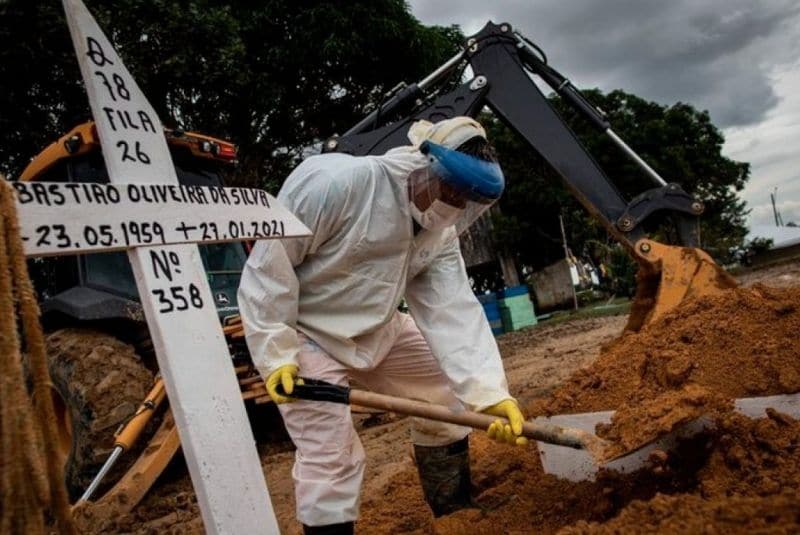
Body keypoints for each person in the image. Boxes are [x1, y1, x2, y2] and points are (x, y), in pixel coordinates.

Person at [238, 116, 527, 534]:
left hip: (381, 329)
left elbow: (452, 309)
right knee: (329, 454)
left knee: (445, 394)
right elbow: (269, 271)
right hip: (309, 336)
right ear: (423, 165)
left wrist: (489, 394)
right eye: (449, 190)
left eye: (464, 200)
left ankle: (455, 514)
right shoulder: (336, 184)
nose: (453, 206)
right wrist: (276, 355)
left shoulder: (439, 234)